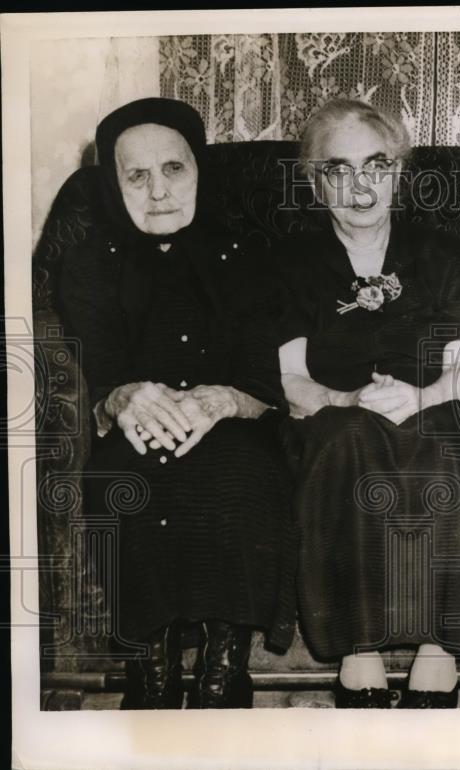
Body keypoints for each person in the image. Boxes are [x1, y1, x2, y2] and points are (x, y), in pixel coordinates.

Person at [57, 97, 297, 709]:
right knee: (130, 479)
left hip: (231, 427)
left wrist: (226, 400)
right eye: (136, 175)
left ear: (200, 171)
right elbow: (100, 372)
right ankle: (151, 679)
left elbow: (263, 381)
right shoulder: (87, 263)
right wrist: (123, 397)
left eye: (174, 169)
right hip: (134, 430)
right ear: (113, 183)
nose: (158, 191)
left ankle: (224, 680)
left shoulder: (246, 255)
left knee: (245, 475)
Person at [277, 98, 460, 709]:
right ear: (316, 183)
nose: (359, 186)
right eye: (338, 169)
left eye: (375, 165)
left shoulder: (444, 253)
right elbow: (291, 380)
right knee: (343, 436)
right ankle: (359, 651)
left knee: (454, 434)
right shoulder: (290, 262)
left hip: (437, 398)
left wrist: (420, 397)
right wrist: (348, 397)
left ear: (398, 172)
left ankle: (439, 652)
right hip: (337, 407)